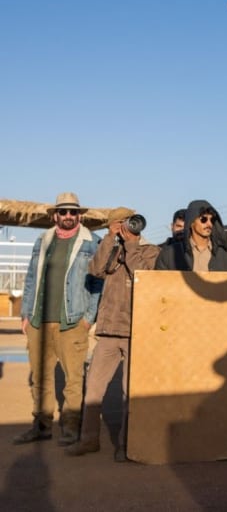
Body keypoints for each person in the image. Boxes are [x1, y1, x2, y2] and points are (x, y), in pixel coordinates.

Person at [65, 209, 160, 461]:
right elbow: (95, 270)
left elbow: (143, 275)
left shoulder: (150, 249)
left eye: (132, 222)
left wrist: (130, 244)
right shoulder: (111, 246)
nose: (130, 226)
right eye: (123, 223)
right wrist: (109, 238)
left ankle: (127, 445)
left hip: (135, 330)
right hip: (108, 330)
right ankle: (88, 440)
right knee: (93, 389)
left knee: (131, 392)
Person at [14, 192, 102, 446]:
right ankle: (41, 426)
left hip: (72, 322)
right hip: (39, 321)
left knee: (73, 378)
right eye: (63, 211)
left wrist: (88, 317)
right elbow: (31, 278)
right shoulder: (43, 241)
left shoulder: (91, 242)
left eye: (72, 212)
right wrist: (26, 314)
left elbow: (98, 283)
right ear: (55, 215)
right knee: (40, 377)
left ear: (80, 215)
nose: (67, 216)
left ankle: (71, 428)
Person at [155, 200, 227, 272]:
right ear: (191, 222)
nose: (209, 224)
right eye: (203, 219)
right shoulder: (169, 255)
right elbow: (159, 288)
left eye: (212, 220)